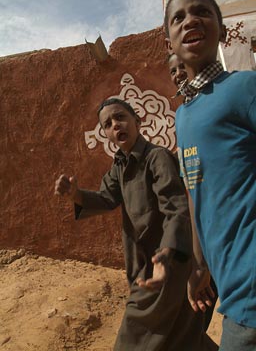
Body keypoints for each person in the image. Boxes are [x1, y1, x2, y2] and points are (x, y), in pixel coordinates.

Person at [55, 98, 217, 351]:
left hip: (167, 265)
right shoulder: (119, 165)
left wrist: (166, 255)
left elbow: (176, 209)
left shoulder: (157, 158)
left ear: (137, 121)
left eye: (120, 117)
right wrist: (75, 194)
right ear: (106, 135)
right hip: (145, 265)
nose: (115, 125)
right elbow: (106, 198)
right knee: (183, 338)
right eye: (107, 124)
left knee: (132, 340)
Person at [164, 0, 256, 351]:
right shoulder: (183, 116)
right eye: (178, 17)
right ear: (168, 40)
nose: (190, 20)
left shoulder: (244, 87)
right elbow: (194, 190)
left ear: (219, 26)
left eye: (201, 11)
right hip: (231, 287)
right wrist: (199, 266)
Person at [168, 52, 218, 332]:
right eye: (172, 71)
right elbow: (192, 182)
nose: (177, 74)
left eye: (181, 67)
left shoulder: (224, 97)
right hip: (206, 230)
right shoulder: (183, 115)